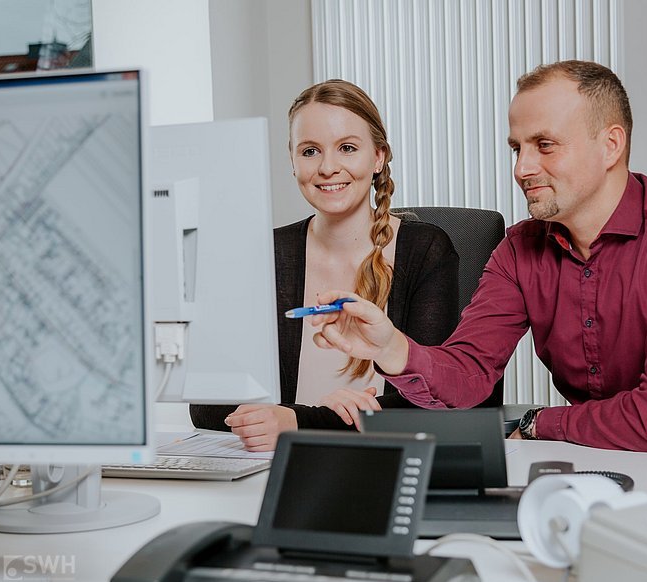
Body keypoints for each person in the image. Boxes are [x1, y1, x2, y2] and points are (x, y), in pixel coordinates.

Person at [311, 60, 647, 453]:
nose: (522, 168)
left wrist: (539, 423)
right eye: (517, 148)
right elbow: (470, 375)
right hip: (605, 470)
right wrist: (392, 348)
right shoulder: (519, 249)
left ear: (610, 144)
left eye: (544, 145)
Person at [190, 79, 459, 450]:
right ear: (292, 160)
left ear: (379, 156)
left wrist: (299, 420)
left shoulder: (425, 250)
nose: (328, 167)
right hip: (274, 466)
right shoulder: (265, 253)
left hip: (383, 461)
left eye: (347, 148)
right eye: (310, 151)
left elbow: (438, 401)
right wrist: (312, 416)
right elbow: (205, 404)